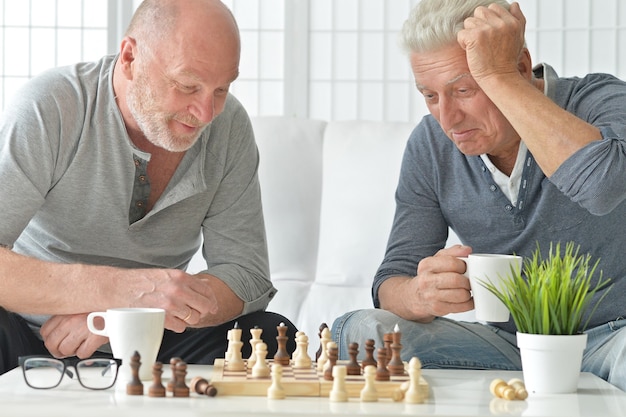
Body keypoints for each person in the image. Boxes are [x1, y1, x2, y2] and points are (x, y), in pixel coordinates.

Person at [332, 0, 626, 390]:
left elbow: (601, 187)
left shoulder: (600, 100)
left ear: (520, 66)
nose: (448, 119)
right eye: (431, 96)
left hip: (614, 339)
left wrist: (499, 75)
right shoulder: (430, 145)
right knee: (361, 330)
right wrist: (420, 294)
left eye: (465, 89)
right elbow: (391, 281)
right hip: (509, 347)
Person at [0, 0, 297, 375]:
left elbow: (246, 273)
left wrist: (127, 312)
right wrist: (119, 290)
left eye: (221, 89)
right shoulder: (51, 107)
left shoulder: (229, 127)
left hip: (154, 336)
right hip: (30, 336)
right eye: (187, 85)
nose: (206, 113)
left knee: (268, 336)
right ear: (129, 58)